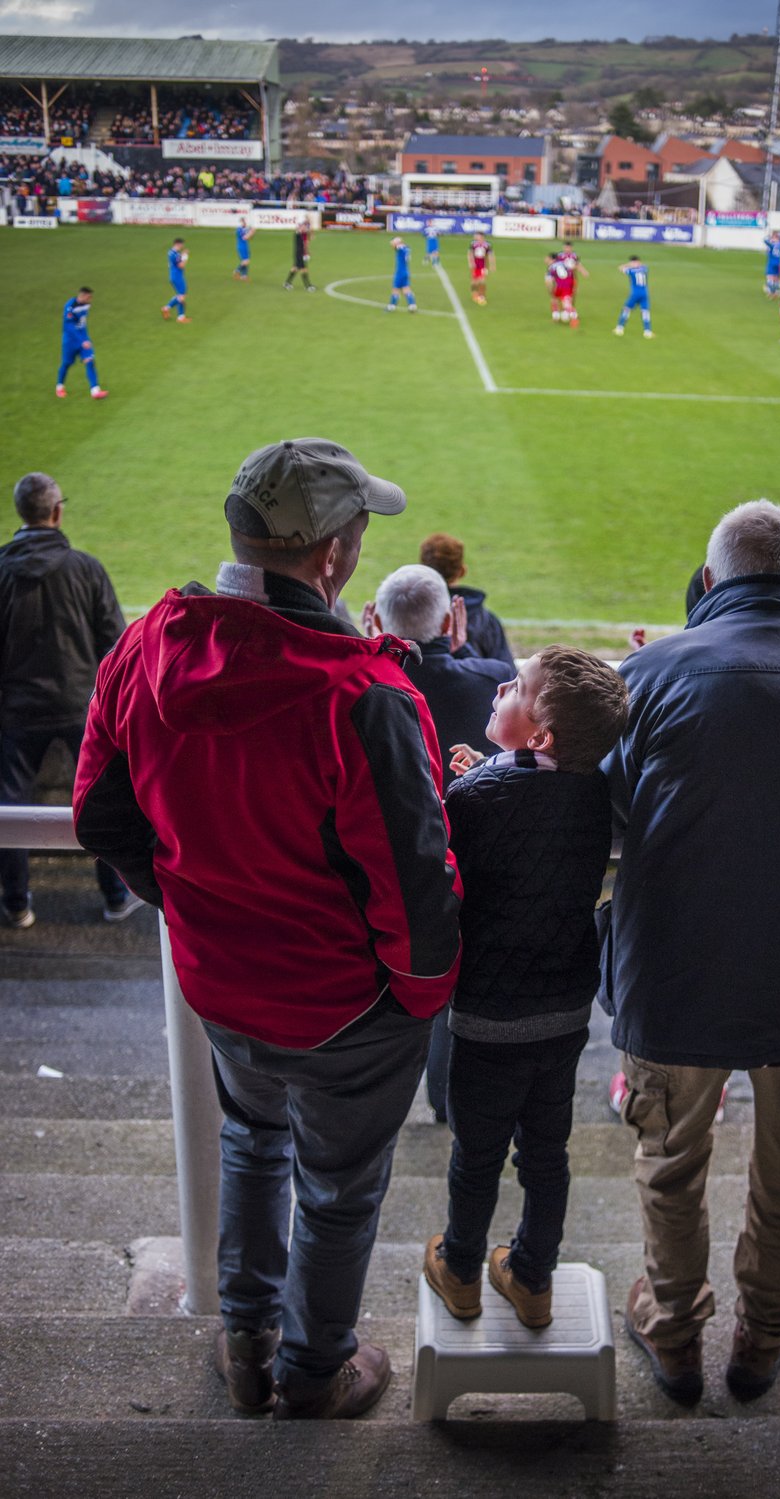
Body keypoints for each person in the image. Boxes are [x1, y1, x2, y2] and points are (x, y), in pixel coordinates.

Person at [73, 438, 462, 1420]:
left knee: (252, 1140)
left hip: (221, 981)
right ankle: (314, 1367)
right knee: (337, 1186)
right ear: (331, 556)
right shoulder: (360, 692)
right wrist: (417, 997)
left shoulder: (147, 642)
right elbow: (414, 882)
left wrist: (194, 904)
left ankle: (245, 1341)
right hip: (346, 1006)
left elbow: (98, 812)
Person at [602, 499, 780, 1406]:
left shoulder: (647, 670)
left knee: (669, 1159)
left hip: (674, 967)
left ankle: (675, 1329)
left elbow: (610, 806)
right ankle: (765, 1337)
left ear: (707, 581)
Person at [423, 647, 630, 1328]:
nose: (501, 685)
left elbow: (464, 844)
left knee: (476, 1152)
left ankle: (458, 1266)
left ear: (539, 734)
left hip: (487, 1012)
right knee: (546, 1149)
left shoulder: (475, 797)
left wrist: (466, 785)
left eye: (515, 684)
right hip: (565, 1010)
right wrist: (479, 776)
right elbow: (532, 811)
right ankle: (533, 1276)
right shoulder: (593, 793)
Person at [368, 563, 511, 1121]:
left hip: (389, 870)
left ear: (376, 619)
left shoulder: (370, 687)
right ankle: (449, 1103)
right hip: (476, 866)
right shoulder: (494, 676)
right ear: (455, 618)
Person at [1, 472, 134, 927]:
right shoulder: (86, 569)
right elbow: (115, 645)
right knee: (102, 798)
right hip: (81, 707)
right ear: (57, 512)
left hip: (16, 713)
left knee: (11, 806)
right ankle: (115, 896)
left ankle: (17, 903)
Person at [418, 531, 515, 673]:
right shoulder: (486, 621)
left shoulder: (407, 615)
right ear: (462, 571)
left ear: (422, 569)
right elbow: (509, 676)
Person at [56, 286, 108, 399]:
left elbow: (82, 324)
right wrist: (81, 341)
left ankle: (95, 391)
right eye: (89, 297)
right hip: (70, 341)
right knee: (66, 363)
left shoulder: (86, 305)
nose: (91, 299)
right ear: (83, 296)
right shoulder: (70, 307)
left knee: (90, 361)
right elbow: (69, 327)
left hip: (83, 339)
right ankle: (59, 387)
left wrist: (86, 339)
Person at [614, 256, 653, 338]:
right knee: (645, 311)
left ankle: (619, 328)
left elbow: (620, 268)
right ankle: (647, 331)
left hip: (635, 294)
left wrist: (628, 264)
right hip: (645, 293)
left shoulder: (630, 271)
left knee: (626, 309)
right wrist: (637, 263)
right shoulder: (644, 268)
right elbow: (643, 265)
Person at [283, 217, 316, 292]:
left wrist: (309, 224)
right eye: (303, 226)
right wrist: (307, 252)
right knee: (304, 269)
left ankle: (287, 283)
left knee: (295, 268)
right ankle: (308, 286)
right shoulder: (299, 233)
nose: (304, 227)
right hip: (299, 253)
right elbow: (305, 242)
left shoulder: (303, 234)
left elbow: (310, 236)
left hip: (299, 253)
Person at [162, 238, 190, 322]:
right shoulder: (176, 254)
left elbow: (176, 260)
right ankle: (167, 308)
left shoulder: (171, 252)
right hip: (177, 276)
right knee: (182, 296)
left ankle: (181, 316)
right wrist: (185, 256)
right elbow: (181, 265)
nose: (182, 246)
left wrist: (181, 255)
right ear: (178, 244)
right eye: (182, 244)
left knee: (180, 296)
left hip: (173, 275)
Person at [546, 253, 577, 326]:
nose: (546, 260)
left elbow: (548, 281)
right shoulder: (564, 264)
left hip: (559, 285)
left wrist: (550, 290)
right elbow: (572, 273)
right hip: (568, 285)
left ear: (552, 259)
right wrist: (574, 287)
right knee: (566, 302)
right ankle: (573, 317)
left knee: (554, 299)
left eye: (548, 259)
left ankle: (556, 317)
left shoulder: (551, 267)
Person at [386, 236, 417, 312]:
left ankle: (391, 306)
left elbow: (394, 246)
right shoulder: (407, 248)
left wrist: (394, 242)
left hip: (400, 272)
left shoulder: (400, 248)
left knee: (395, 289)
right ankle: (412, 305)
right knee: (406, 289)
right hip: (406, 271)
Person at [468, 233, 494, 305]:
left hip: (483, 266)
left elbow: (490, 255)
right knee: (474, 281)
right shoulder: (473, 244)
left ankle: (482, 295)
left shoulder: (487, 245)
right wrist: (471, 263)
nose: (475, 237)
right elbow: (470, 254)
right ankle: (474, 294)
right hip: (475, 266)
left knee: (482, 281)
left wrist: (492, 265)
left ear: (482, 237)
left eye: (477, 236)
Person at [763, 230, 780, 297]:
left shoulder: (772, 245)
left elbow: (765, 240)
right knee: (776, 278)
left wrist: (769, 236)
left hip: (771, 263)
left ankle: (771, 291)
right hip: (778, 262)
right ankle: (777, 291)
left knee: (769, 277)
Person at [233, 216, 255, 281]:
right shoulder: (239, 230)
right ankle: (237, 270)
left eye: (245, 221)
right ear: (241, 222)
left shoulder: (246, 229)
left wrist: (251, 232)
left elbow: (250, 238)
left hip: (245, 245)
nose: (245, 222)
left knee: (246, 260)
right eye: (243, 221)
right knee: (246, 261)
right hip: (241, 246)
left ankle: (244, 276)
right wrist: (252, 232)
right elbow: (245, 237)